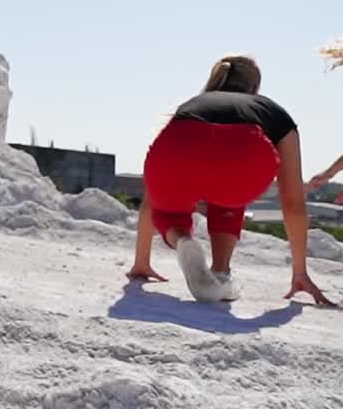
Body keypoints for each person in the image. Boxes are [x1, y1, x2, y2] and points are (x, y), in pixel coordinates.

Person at [127, 55, 332, 305]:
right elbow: (292, 202)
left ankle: (181, 239)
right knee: (230, 191)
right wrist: (300, 272)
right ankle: (221, 273)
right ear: (255, 87)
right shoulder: (270, 110)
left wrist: (142, 261)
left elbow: (154, 195)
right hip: (241, 158)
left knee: (168, 212)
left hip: (173, 154)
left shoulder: (193, 104)